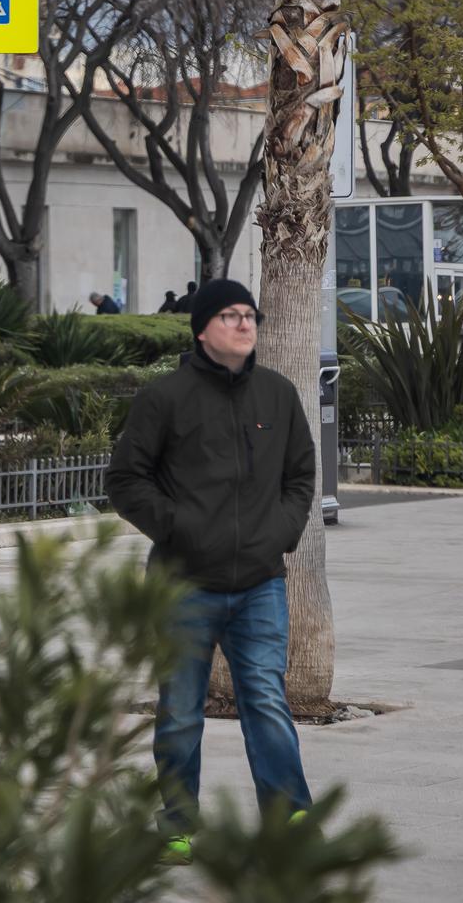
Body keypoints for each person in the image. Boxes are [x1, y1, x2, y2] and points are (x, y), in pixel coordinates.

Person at [104, 278, 315, 866]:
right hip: (183, 584)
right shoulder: (165, 398)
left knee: (267, 703)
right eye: (230, 315)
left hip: (260, 585)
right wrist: (179, 528)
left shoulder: (278, 395)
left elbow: (301, 476)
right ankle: (176, 826)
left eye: (250, 315)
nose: (245, 324)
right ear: (202, 329)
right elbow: (125, 480)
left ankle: (289, 821)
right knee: (180, 712)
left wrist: (279, 532)